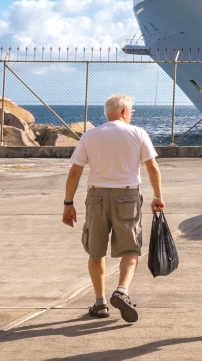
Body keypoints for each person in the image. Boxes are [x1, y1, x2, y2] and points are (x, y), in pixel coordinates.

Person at [62, 94, 165, 322]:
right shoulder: (138, 133)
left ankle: (100, 303)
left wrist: (68, 203)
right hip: (127, 195)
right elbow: (152, 167)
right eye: (131, 112)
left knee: (95, 251)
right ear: (124, 112)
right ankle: (121, 291)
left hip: (96, 196)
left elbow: (75, 172)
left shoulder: (90, 135)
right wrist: (157, 196)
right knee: (130, 249)